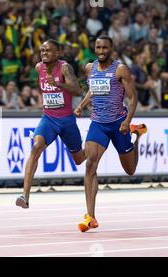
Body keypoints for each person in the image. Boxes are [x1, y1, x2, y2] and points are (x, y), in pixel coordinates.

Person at [74, 35, 147, 232]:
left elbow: (133, 98)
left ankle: (136, 136)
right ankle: (91, 216)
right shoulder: (90, 68)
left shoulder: (120, 69)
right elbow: (93, 90)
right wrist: (81, 105)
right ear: (94, 48)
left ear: (111, 49)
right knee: (90, 164)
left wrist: (127, 121)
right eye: (98, 47)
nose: (101, 50)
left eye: (105, 47)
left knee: (130, 170)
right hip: (98, 123)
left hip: (118, 124)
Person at [16, 40, 86, 209]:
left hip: (67, 120)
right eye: (42, 50)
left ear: (57, 53)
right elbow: (43, 88)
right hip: (49, 119)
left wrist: (58, 84)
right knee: (36, 146)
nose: (44, 53)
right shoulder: (38, 68)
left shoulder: (64, 67)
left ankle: (96, 147)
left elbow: (77, 90)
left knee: (79, 159)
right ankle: (25, 195)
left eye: (48, 50)